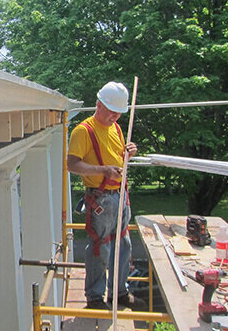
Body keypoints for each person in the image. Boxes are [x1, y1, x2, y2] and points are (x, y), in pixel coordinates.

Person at [67, 81, 146, 311]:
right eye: (111, 112)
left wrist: (128, 152)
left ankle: (119, 292)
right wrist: (103, 171)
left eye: (119, 113)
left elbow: (115, 156)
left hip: (120, 195)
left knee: (123, 244)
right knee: (100, 247)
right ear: (98, 104)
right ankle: (94, 297)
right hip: (101, 199)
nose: (115, 117)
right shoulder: (84, 131)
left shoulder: (117, 128)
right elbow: (72, 164)